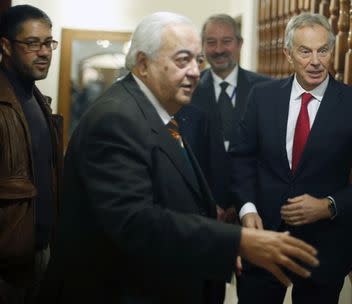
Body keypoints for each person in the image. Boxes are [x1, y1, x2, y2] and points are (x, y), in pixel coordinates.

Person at [39, 12, 319, 304]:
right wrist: (237, 240)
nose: (196, 71)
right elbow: (135, 222)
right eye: (182, 60)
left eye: (198, 60)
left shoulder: (159, 111)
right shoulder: (116, 118)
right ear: (143, 64)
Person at [230, 13, 352, 304]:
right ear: (288, 53)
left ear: (332, 51)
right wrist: (247, 209)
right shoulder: (261, 97)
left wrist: (330, 205)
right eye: (305, 51)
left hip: (324, 248)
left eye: (323, 50)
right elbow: (241, 158)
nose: (315, 61)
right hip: (265, 237)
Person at [0, 4, 62, 304]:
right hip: (2, 269)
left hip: (41, 254)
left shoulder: (37, 99)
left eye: (49, 42)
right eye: (32, 43)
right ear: (7, 46)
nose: (44, 52)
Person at [177, 14, 271, 215]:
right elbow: (184, 157)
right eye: (211, 42)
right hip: (203, 212)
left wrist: (245, 206)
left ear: (239, 44)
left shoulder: (267, 90)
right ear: (202, 46)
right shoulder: (187, 90)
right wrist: (211, 205)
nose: (219, 50)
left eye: (226, 42)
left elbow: (271, 156)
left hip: (258, 209)